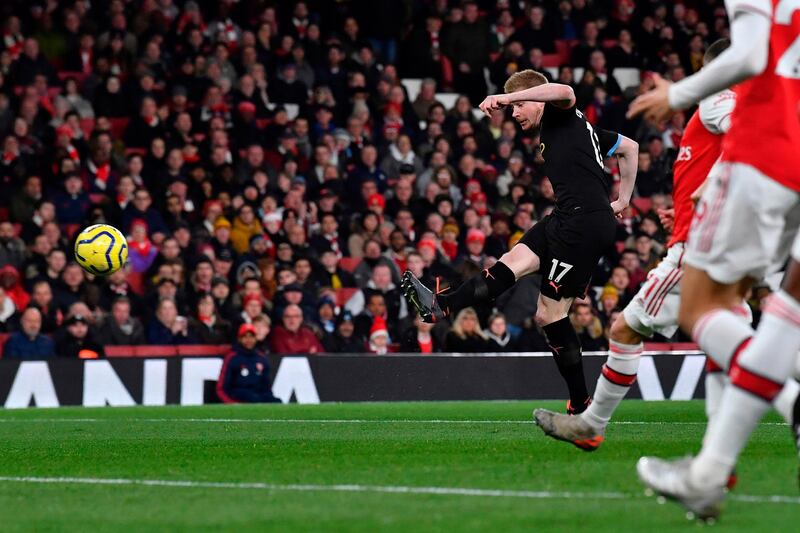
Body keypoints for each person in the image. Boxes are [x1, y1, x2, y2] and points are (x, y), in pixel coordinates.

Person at [628, 4, 800, 520]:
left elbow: (749, 54)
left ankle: (721, 462)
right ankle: (707, 474)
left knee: (702, 306)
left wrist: (677, 93)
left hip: (768, 157)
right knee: (787, 305)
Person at [534, 39, 749, 451]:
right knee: (736, 340)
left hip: (701, 248)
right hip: (715, 237)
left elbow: (747, 137)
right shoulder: (718, 109)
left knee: (626, 327)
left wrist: (711, 188)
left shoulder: (717, 101)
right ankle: (716, 464)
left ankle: (590, 423)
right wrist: (686, 207)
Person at [402, 69, 639, 414]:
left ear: (535, 99)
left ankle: (581, 404)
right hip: (566, 217)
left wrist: (505, 98)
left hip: (584, 224)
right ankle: (442, 305)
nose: (514, 114)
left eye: (518, 107)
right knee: (511, 262)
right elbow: (629, 149)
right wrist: (623, 200)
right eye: (511, 108)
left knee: (549, 315)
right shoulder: (577, 131)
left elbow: (565, 90)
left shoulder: (561, 112)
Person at [216, 323, 281, 404]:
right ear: (239, 339)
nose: (249, 340)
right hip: (240, 395)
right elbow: (222, 388)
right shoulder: (232, 358)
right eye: (245, 337)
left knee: (277, 402)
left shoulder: (261, 358)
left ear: (255, 338)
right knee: (251, 397)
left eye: (251, 336)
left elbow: (267, 387)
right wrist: (231, 403)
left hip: (258, 396)